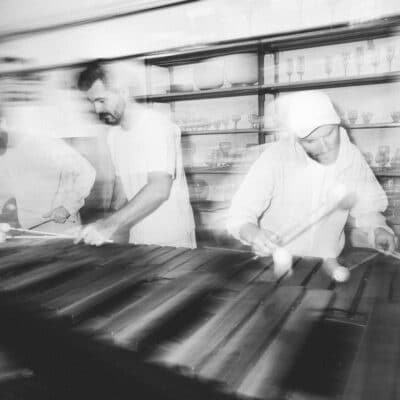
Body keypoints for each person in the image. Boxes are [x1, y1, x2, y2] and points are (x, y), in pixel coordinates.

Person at [227, 90, 396, 260]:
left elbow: (367, 207)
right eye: (311, 141)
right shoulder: (275, 158)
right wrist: (254, 234)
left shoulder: (351, 157)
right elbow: (239, 214)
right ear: (296, 138)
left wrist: (378, 229)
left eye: (329, 134)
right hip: (279, 261)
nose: (324, 146)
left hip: (328, 263)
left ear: (338, 125)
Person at [75, 61, 196, 248]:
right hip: (138, 238)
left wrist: (110, 224)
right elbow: (122, 188)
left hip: (172, 240)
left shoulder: (156, 126)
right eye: (93, 103)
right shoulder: (114, 135)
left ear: (123, 92)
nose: (97, 110)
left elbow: (159, 189)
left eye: (101, 100)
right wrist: (105, 223)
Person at [0, 116, 96, 240]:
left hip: (62, 233)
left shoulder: (45, 143)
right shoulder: (3, 156)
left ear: (2, 122)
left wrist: (68, 207)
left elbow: (86, 171)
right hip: (29, 235)